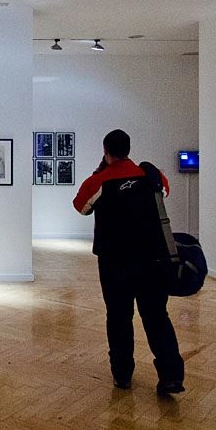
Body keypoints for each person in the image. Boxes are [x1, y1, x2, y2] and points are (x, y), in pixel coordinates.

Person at [72, 129, 185, 395]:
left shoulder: (99, 181)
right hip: (152, 260)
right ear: (129, 149)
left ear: (106, 151)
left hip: (115, 262)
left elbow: (81, 206)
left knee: (119, 317)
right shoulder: (151, 176)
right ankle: (171, 376)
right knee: (157, 317)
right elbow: (164, 193)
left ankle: (122, 375)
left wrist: (101, 172)